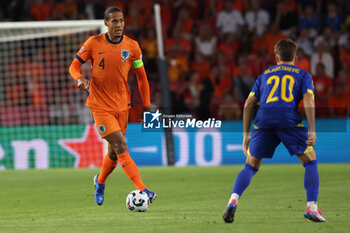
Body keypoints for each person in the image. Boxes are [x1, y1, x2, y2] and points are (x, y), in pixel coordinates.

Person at [222, 39, 326, 223]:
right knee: (310, 162)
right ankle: (312, 207)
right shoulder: (303, 75)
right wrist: (313, 129)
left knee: (250, 166)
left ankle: (233, 200)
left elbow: (248, 103)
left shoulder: (264, 75)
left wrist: (246, 134)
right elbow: (308, 98)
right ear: (296, 56)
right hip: (288, 120)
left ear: (276, 57)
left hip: (264, 121)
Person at [69, 6, 157, 206]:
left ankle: (99, 181)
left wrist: (147, 105)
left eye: (121, 21)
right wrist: (79, 78)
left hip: (122, 105)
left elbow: (142, 79)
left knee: (113, 153)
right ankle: (144, 189)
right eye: (114, 21)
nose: (119, 25)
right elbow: (73, 66)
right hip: (99, 105)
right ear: (106, 23)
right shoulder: (93, 43)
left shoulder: (132, 47)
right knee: (121, 145)